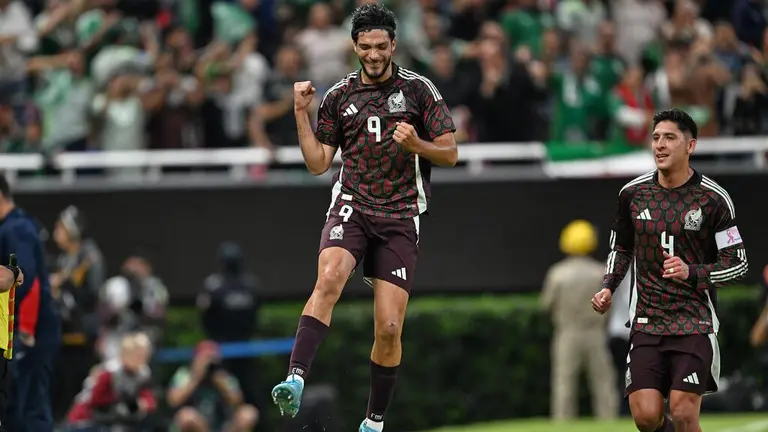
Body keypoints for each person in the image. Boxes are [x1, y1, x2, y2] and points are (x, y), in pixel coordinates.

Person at [270, 4, 458, 431]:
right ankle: (295, 379)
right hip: (353, 205)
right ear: (354, 46)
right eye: (365, 47)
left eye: (380, 46)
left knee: (389, 328)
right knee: (330, 276)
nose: (373, 55)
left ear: (393, 44)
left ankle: (373, 422)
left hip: (400, 215)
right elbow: (319, 163)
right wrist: (300, 112)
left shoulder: (419, 91)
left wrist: (418, 145)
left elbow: (450, 152)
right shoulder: (338, 96)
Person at [592, 108, 749, 432]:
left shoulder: (714, 199)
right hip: (647, 323)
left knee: (683, 411)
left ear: (690, 145)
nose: (660, 145)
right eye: (656, 138)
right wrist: (608, 286)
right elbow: (620, 249)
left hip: (693, 321)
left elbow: (737, 263)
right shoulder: (632, 195)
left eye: (670, 138)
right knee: (646, 416)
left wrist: (692, 272)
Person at [0, 173, 61, 432]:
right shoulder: (16, 226)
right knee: (15, 411)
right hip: (16, 332)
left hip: (29, 333)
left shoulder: (17, 229)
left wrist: (24, 330)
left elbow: (24, 276)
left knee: (29, 410)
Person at [541, 219, 618, 421]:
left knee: (564, 383)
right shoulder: (599, 272)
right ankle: (608, 421)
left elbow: (546, 304)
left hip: (567, 332)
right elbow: (610, 303)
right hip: (595, 332)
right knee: (603, 382)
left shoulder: (557, 273)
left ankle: (562, 422)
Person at [50, 205, 105, 421]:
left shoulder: (89, 255)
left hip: (81, 336)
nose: (56, 231)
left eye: (60, 227)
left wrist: (60, 283)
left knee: (77, 390)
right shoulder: (65, 258)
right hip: (62, 334)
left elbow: (90, 295)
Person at [66, 332, 157, 432]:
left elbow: (150, 400)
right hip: (86, 419)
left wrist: (142, 403)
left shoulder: (143, 373)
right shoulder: (110, 371)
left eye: (144, 356)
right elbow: (96, 399)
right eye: (137, 356)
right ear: (125, 354)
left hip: (114, 420)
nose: (141, 360)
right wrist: (123, 401)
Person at [167, 341, 259, 432]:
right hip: (197, 424)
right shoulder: (185, 375)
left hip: (223, 425)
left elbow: (238, 402)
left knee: (248, 413)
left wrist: (222, 384)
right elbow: (173, 400)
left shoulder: (223, 376)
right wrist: (197, 377)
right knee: (187, 416)